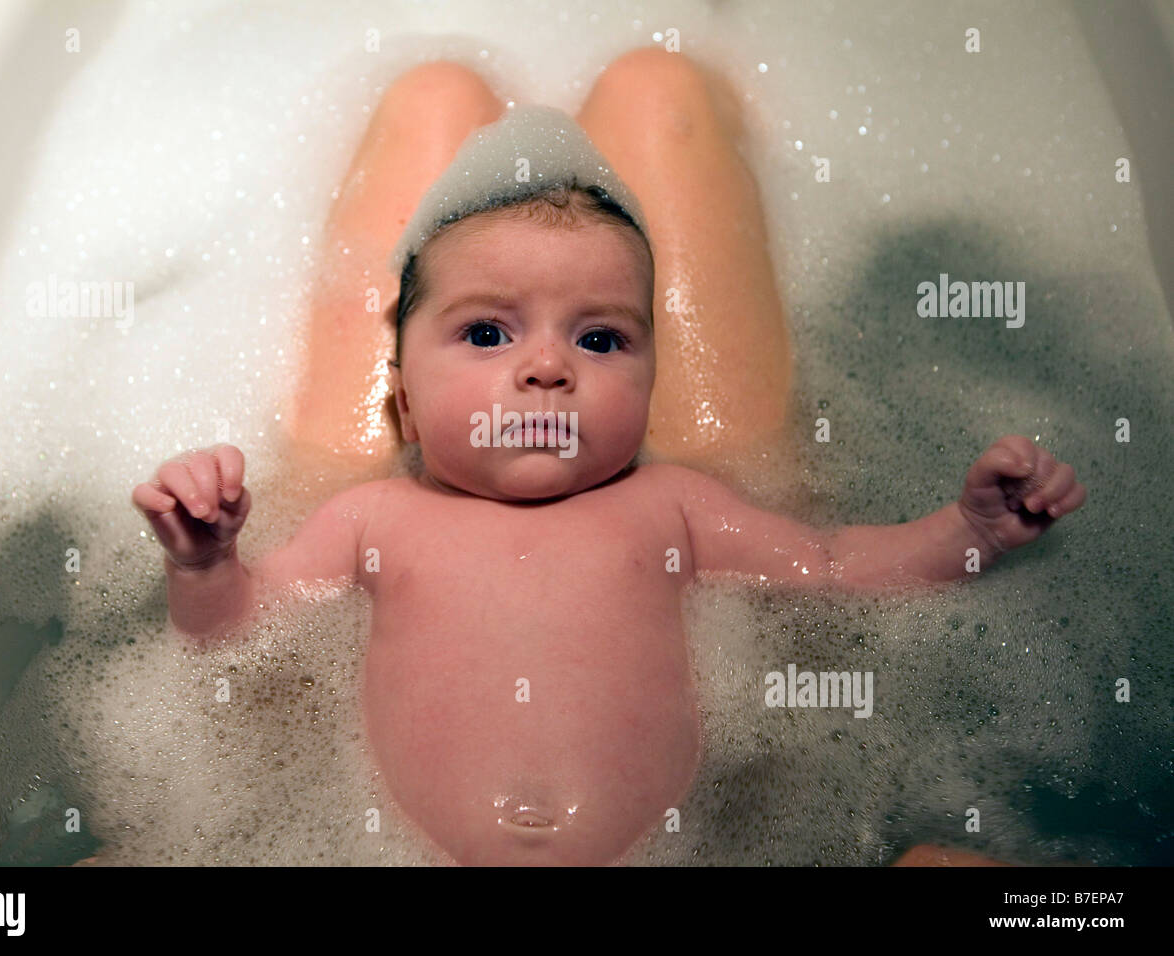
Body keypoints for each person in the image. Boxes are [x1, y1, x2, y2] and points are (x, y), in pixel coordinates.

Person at [130, 49, 1085, 866]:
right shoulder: (371, 519)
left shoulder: (673, 504)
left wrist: (967, 532)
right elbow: (237, 633)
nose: (547, 368)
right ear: (404, 401)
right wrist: (206, 563)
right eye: (487, 334)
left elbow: (831, 566)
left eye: (601, 342)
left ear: (654, 381)